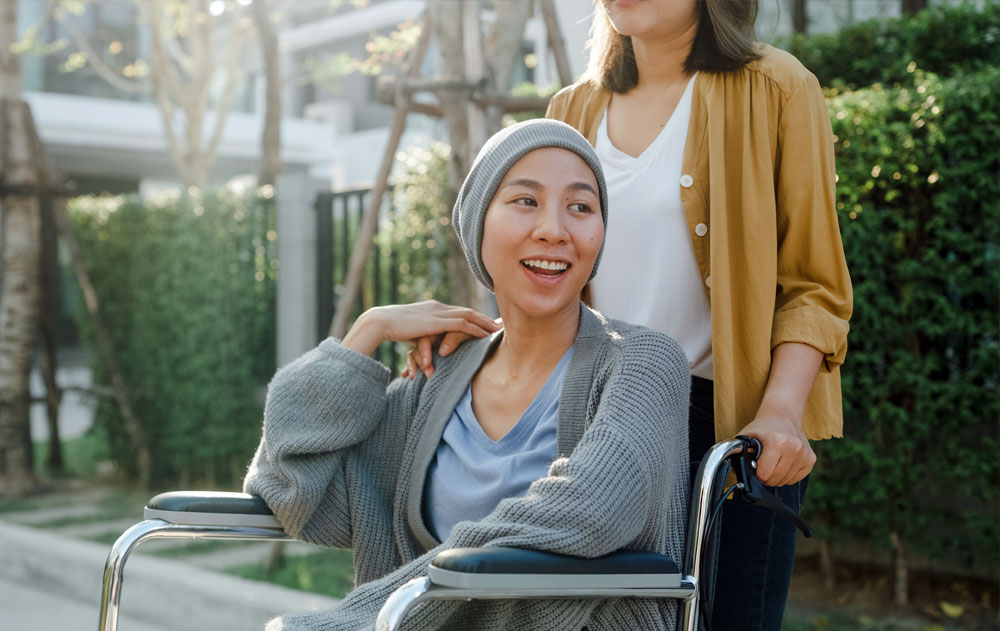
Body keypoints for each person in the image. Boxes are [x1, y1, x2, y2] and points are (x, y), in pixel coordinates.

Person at [402, 2, 853, 629]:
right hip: (598, 417)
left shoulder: (776, 87)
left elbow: (813, 284)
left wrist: (778, 413)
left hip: (730, 426)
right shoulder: (572, 110)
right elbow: (555, 272)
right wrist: (485, 342)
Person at [243, 119, 692, 631]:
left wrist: (377, 612)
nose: (554, 229)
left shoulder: (643, 363)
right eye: (526, 201)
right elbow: (295, 492)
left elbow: (592, 511)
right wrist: (367, 333)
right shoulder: (438, 380)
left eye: (581, 207)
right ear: (478, 225)